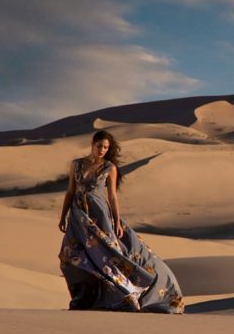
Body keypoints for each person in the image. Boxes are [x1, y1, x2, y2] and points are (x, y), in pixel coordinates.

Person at [58, 130, 184, 314]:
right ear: (92, 144)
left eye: (106, 147)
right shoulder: (76, 164)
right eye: (99, 146)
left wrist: (116, 221)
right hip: (78, 217)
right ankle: (85, 297)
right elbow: (70, 191)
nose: (102, 150)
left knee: (109, 255)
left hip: (99, 216)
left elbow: (113, 197)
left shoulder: (109, 167)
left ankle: (126, 293)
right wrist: (63, 216)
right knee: (72, 256)